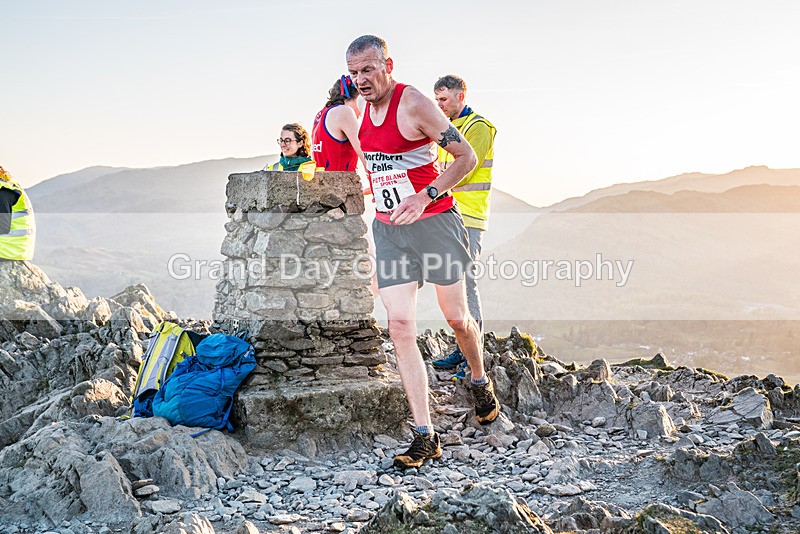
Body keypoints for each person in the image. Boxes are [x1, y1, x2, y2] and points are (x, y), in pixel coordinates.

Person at [346, 35, 500, 469]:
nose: (360, 80)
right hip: (391, 230)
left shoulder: (412, 102)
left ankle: (479, 379)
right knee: (399, 325)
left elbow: (465, 156)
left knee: (457, 318)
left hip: (436, 224)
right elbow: (383, 165)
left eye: (368, 70)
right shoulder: (362, 111)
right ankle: (424, 434)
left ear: (387, 65)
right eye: (353, 73)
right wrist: (373, 191)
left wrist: (425, 195)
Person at [431, 75, 497, 378]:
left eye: (444, 99)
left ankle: (473, 361)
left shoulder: (479, 127)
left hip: (468, 217)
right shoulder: (448, 131)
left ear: (461, 96)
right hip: (447, 214)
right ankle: (462, 350)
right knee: (452, 286)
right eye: (437, 100)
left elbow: (466, 171)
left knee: (466, 284)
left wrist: (433, 187)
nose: (439, 105)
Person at [312, 76, 367, 172]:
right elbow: (367, 157)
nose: (361, 112)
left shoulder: (321, 114)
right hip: (341, 184)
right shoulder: (344, 111)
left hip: (321, 183)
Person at [0, 166, 35, 261]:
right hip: (13, 248)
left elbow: (2, 226)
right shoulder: (8, 186)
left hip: (8, 249)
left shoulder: (3, 191)